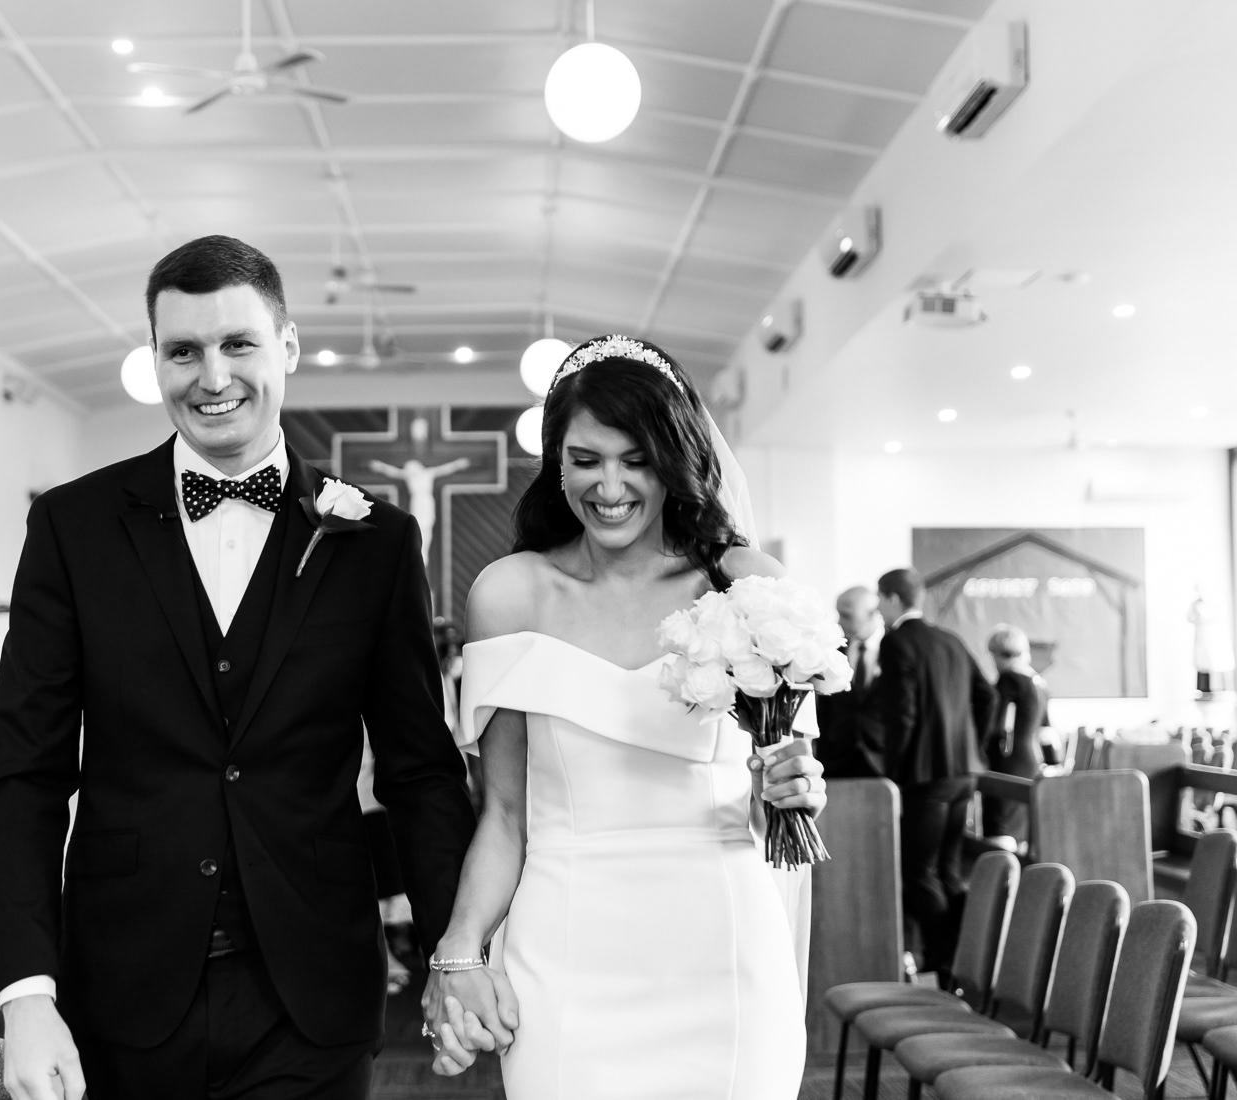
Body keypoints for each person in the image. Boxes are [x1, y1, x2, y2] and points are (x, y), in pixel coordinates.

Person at [0, 235, 477, 1100]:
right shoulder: (73, 527)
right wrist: (26, 994)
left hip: (312, 993)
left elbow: (420, 771)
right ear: (155, 360)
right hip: (122, 989)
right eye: (183, 352)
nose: (212, 378)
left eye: (237, 344)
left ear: (287, 346)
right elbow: (24, 773)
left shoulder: (375, 541)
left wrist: (453, 954)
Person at [419, 335, 827, 1099]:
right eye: (586, 460)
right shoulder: (510, 594)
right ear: (556, 463)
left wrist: (793, 791)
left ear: (674, 459)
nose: (609, 486)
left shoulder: (743, 585)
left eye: (635, 460)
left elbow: (777, 792)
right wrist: (459, 950)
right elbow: (503, 815)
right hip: (564, 950)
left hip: (724, 948)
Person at [875, 567, 997, 981]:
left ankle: (951, 961)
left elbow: (902, 715)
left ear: (893, 599)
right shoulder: (950, 639)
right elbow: (987, 695)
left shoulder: (896, 642)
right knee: (948, 870)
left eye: (879, 600)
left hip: (925, 776)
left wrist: (892, 776)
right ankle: (959, 962)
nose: (878, 609)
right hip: (964, 773)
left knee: (918, 874)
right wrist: (971, 746)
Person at [981, 624, 1049, 845]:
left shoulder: (1009, 680)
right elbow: (1047, 730)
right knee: (1019, 833)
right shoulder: (1037, 681)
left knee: (1000, 828)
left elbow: (996, 726)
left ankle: (1000, 866)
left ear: (997, 653)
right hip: (1030, 761)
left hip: (1007, 761)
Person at [813, 586, 887, 778]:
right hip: (836, 761)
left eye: (846, 615)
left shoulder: (895, 649)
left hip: (882, 760)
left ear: (872, 614)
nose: (839, 622)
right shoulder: (833, 652)